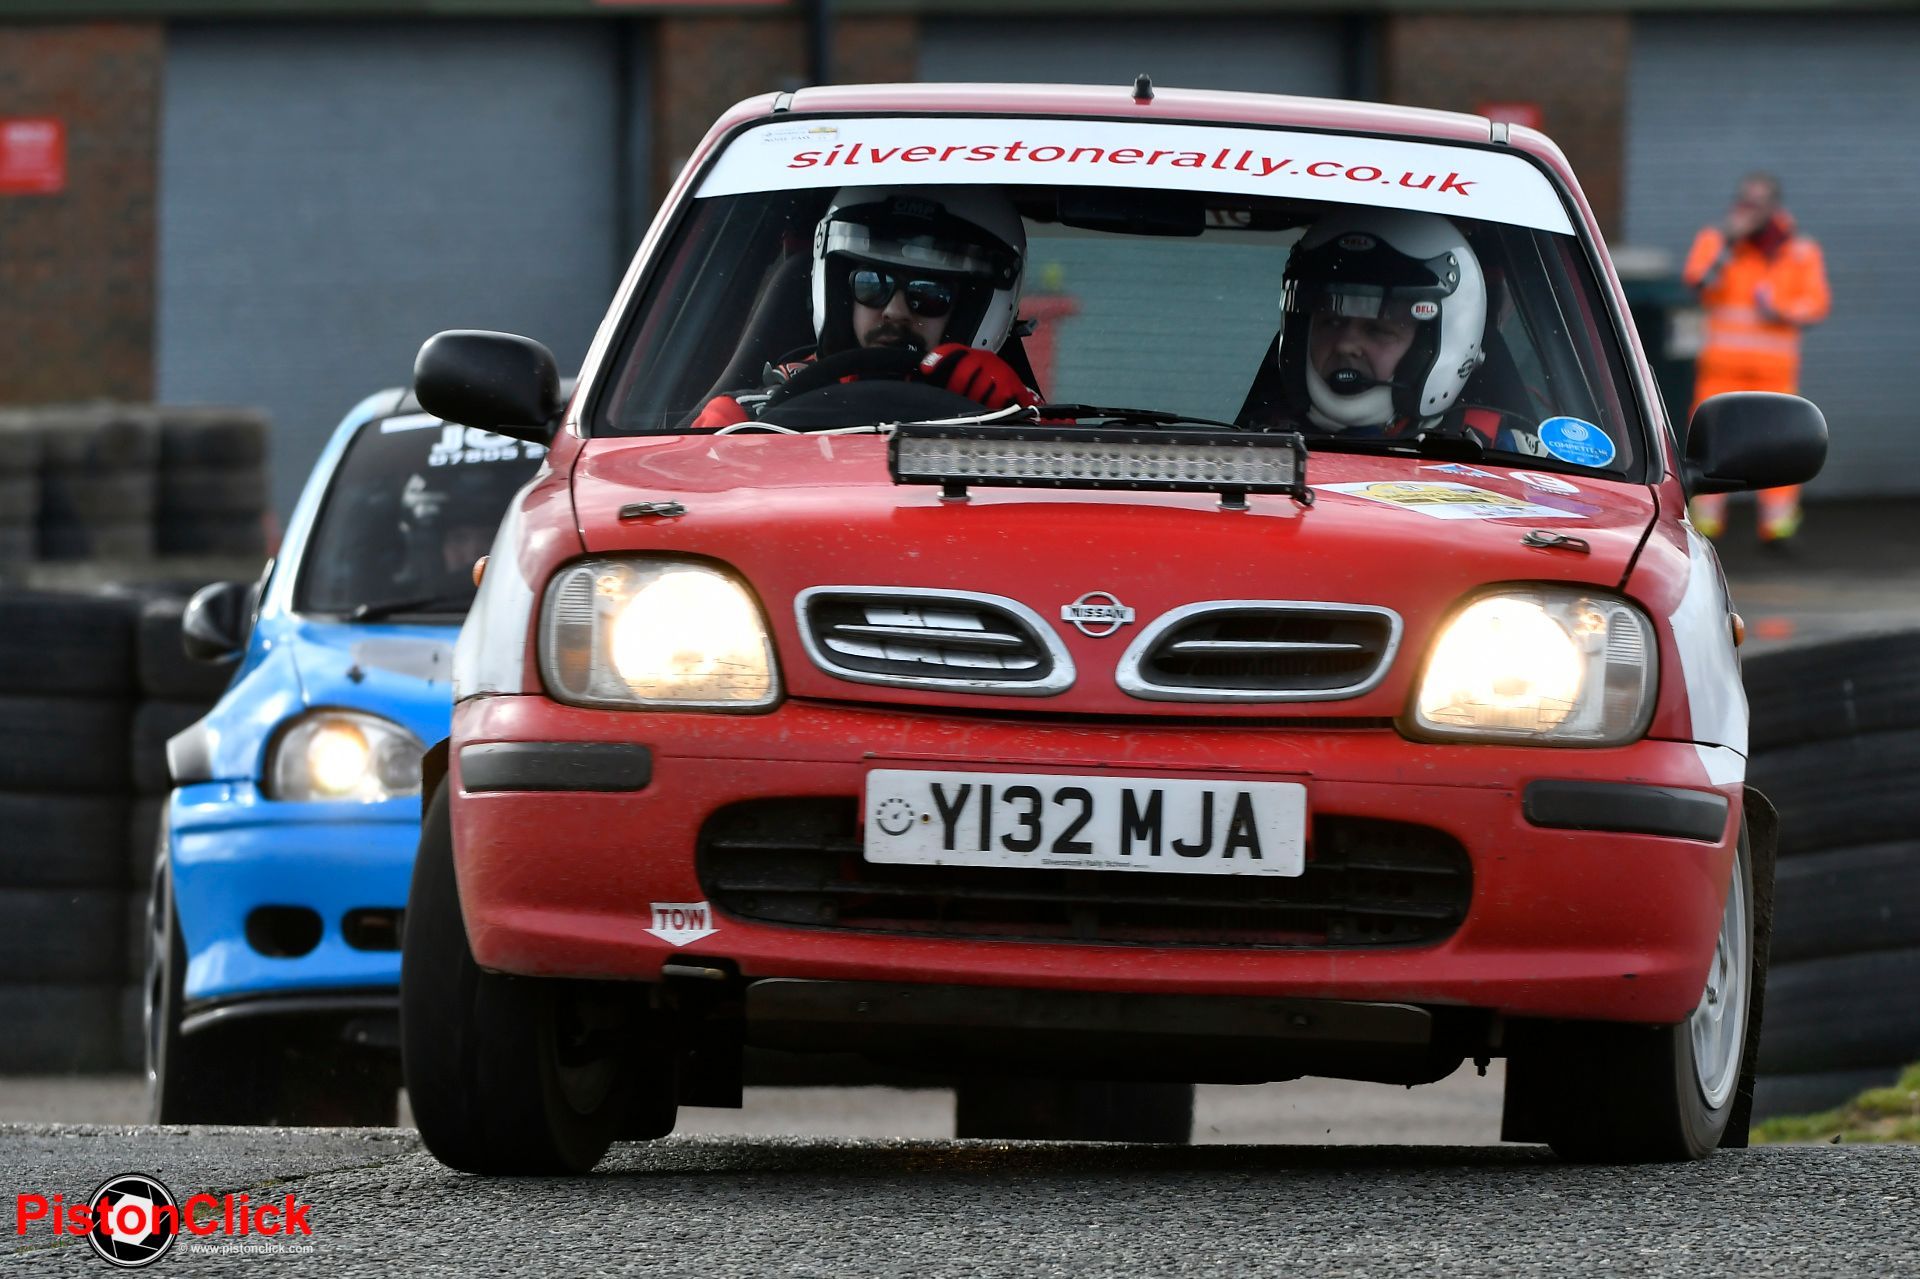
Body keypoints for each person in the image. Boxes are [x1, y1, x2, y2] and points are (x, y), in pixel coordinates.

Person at [692, 186, 1037, 428]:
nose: (896, 312)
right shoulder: (746, 421)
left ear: (970, 312)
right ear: (841, 293)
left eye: (929, 294)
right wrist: (737, 431)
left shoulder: (1022, 418)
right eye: (872, 284)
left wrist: (1019, 419)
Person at [1241, 206, 1533, 450]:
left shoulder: (1501, 455)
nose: (1345, 344)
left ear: (1440, 343)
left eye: (1377, 330)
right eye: (1330, 322)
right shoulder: (1246, 452)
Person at [1683, 173, 1830, 547]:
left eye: (1759, 202)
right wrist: (1729, 245)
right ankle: (1706, 527)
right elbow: (1699, 284)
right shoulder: (1717, 241)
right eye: (1746, 200)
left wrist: (1780, 309)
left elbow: (1816, 304)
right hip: (1720, 371)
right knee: (1713, 447)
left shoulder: (1799, 250)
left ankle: (1777, 530)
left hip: (1774, 374)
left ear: (1774, 208)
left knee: (1783, 446)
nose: (1751, 208)